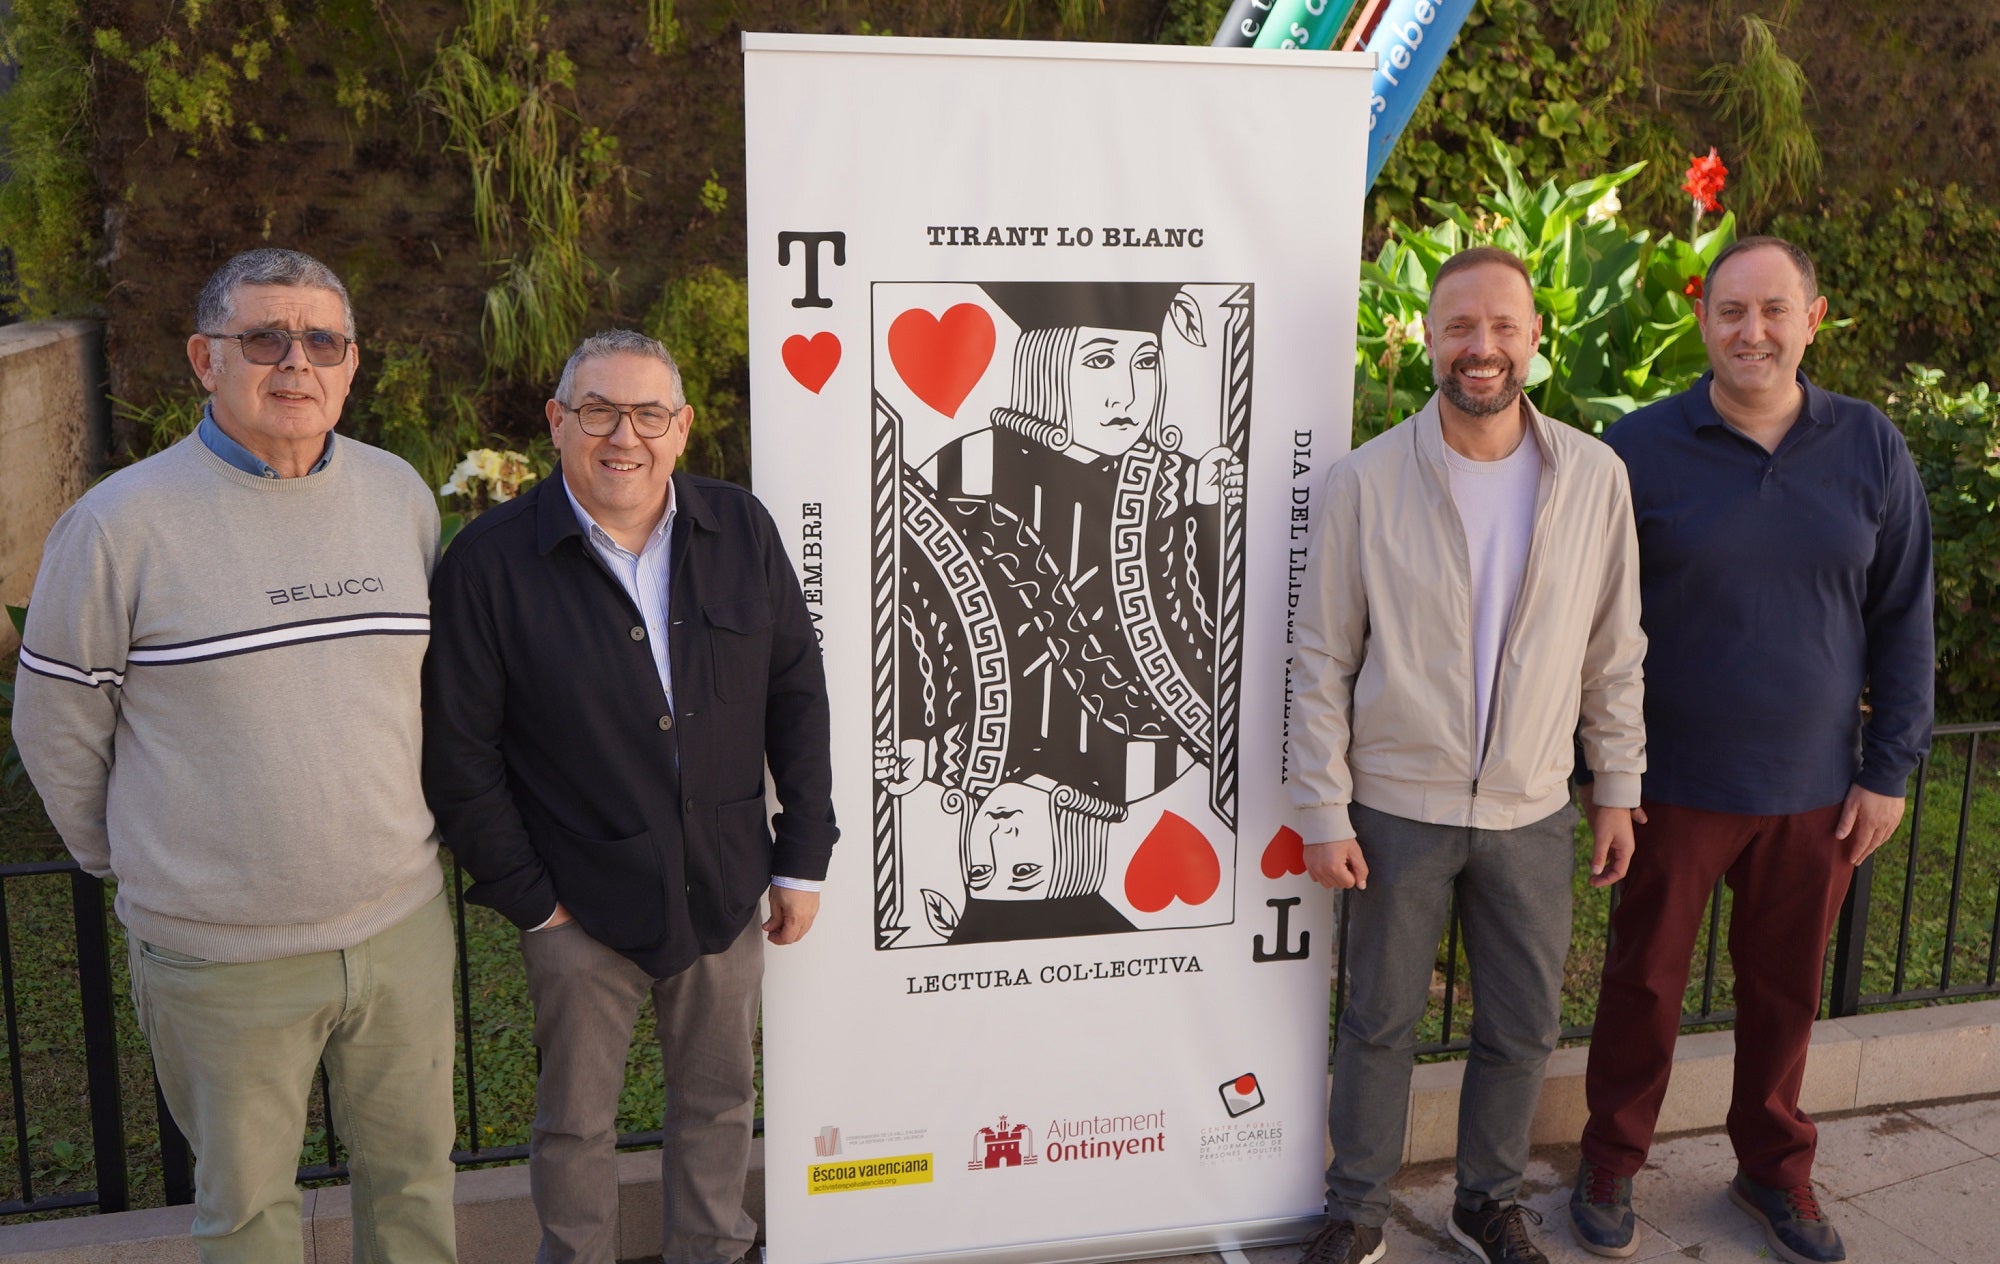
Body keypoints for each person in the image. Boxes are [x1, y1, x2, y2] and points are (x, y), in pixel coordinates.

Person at [12, 248, 458, 1264]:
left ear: (350, 365)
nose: (294, 362)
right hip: (221, 958)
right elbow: (55, 724)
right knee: (247, 1216)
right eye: (264, 337)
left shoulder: (400, 498)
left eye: (322, 341)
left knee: (416, 1191)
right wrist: (130, 856)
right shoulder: (118, 526)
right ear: (204, 358)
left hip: (399, 933)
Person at [421, 328, 836, 1264]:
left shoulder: (742, 531)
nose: (625, 435)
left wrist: (801, 851)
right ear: (557, 422)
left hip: (725, 888)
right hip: (577, 905)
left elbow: (795, 693)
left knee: (721, 1105)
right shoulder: (489, 563)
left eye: (649, 413)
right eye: (599, 410)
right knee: (574, 1125)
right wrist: (535, 902)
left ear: (683, 428)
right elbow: (459, 752)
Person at [1570, 237, 1933, 1264]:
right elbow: (1589, 622)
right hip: (1670, 786)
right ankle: (1609, 1157)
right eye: (1731, 311)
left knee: (1784, 993)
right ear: (1702, 322)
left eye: (1774, 310)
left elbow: (1903, 615)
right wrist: (1604, 768)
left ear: (1810, 321)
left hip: (1815, 790)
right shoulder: (1636, 448)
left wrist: (1886, 768)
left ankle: (1772, 1168)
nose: (1752, 331)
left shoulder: (1868, 447)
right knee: (1642, 985)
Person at [1290, 246, 1647, 1264]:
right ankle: (1354, 1206)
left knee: (1522, 1025)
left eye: (1500, 326)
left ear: (1534, 336)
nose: (1479, 347)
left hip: (1532, 808)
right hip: (1396, 806)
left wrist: (1615, 788)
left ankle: (1484, 1201)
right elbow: (1319, 653)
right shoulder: (1363, 480)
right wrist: (1323, 807)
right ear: (1431, 338)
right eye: (1458, 327)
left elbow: (1611, 650)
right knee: (1377, 1019)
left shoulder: (1592, 477)